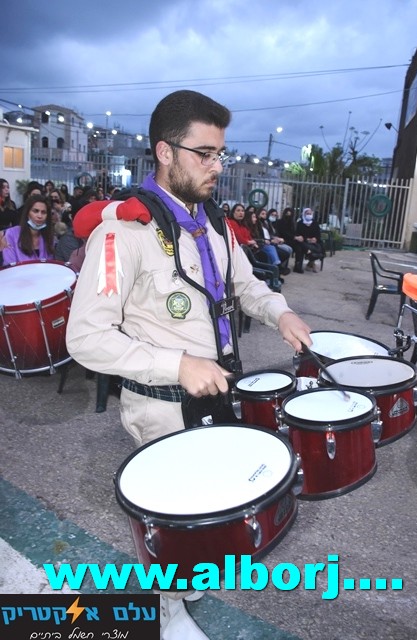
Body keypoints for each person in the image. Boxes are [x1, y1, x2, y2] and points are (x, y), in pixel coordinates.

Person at [66, 89, 311, 640]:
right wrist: (175, 363)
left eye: (220, 154)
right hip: (161, 405)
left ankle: (187, 572)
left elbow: (246, 287)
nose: (217, 167)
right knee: (167, 516)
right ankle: (165, 610)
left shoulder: (216, 224)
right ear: (165, 152)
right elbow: (84, 336)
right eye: (205, 154)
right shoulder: (122, 233)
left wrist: (283, 313)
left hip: (215, 391)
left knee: (204, 503)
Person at [2, 194, 55, 265]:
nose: (40, 216)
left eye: (43, 212)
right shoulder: (12, 234)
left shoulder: (49, 237)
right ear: (27, 213)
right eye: (35, 211)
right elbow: (9, 265)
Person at [294, 207, 324, 273]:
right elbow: (298, 234)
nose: (309, 215)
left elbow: (318, 234)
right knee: (300, 246)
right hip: (303, 241)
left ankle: (311, 262)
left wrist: (315, 238)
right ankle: (299, 265)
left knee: (320, 246)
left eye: (310, 213)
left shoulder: (315, 223)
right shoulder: (300, 223)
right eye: (307, 213)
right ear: (304, 214)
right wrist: (306, 239)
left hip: (313, 242)